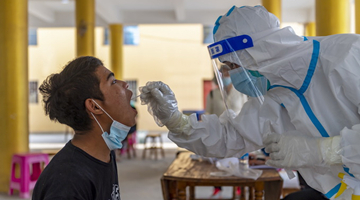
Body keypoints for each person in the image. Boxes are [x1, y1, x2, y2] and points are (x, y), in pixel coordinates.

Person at [139, 5, 360, 200]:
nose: (231, 76)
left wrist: (324, 151)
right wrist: (177, 121)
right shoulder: (273, 96)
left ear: (260, 51)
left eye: (233, 66)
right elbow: (231, 137)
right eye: (225, 68)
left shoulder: (347, 56)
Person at [32, 56, 137, 200]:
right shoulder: (68, 183)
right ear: (94, 106)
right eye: (113, 82)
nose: (125, 84)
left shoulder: (106, 154)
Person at [205, 65, 247, 198]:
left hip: (238, 133)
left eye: (228, 72)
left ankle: (239, 188)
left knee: (238, 160)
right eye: (223, 73)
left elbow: (247, 112)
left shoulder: (241, 92)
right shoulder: (213, 94)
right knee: (219, 161)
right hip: (219, 133)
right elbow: (208, 114)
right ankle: (218, 188)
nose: (226, 75)